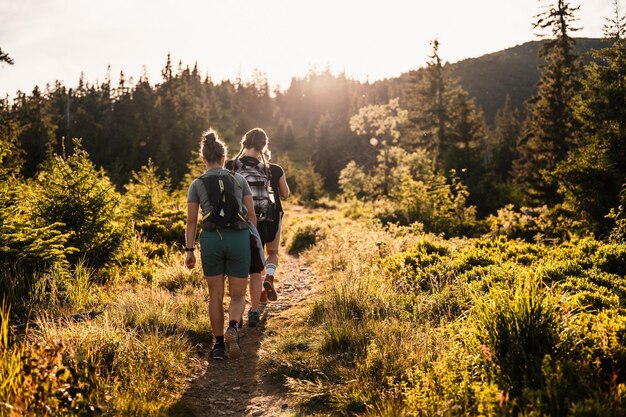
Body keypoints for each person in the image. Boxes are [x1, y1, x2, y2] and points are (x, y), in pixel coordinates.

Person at [185, 130, 257, 360]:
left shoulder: (197, 184)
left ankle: (217, 346)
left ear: (204, 159)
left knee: (214, 296)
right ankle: (233, 328)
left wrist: (189, 251)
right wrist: (253, 241)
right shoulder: (239, 179)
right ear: (224, 158)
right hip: (238, 238)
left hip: (211, 240)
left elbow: (191, 221)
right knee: (238, 295)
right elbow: (252, 215)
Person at [226, 128, 290, 327]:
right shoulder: (273, 169)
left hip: (239, 222)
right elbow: (286, 194)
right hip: (267, 220)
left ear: (244, 143)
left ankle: (236, 313)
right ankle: (268, 279)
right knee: (269, 255)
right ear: (264, 146)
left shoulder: (231, 165)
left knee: (241, 267)